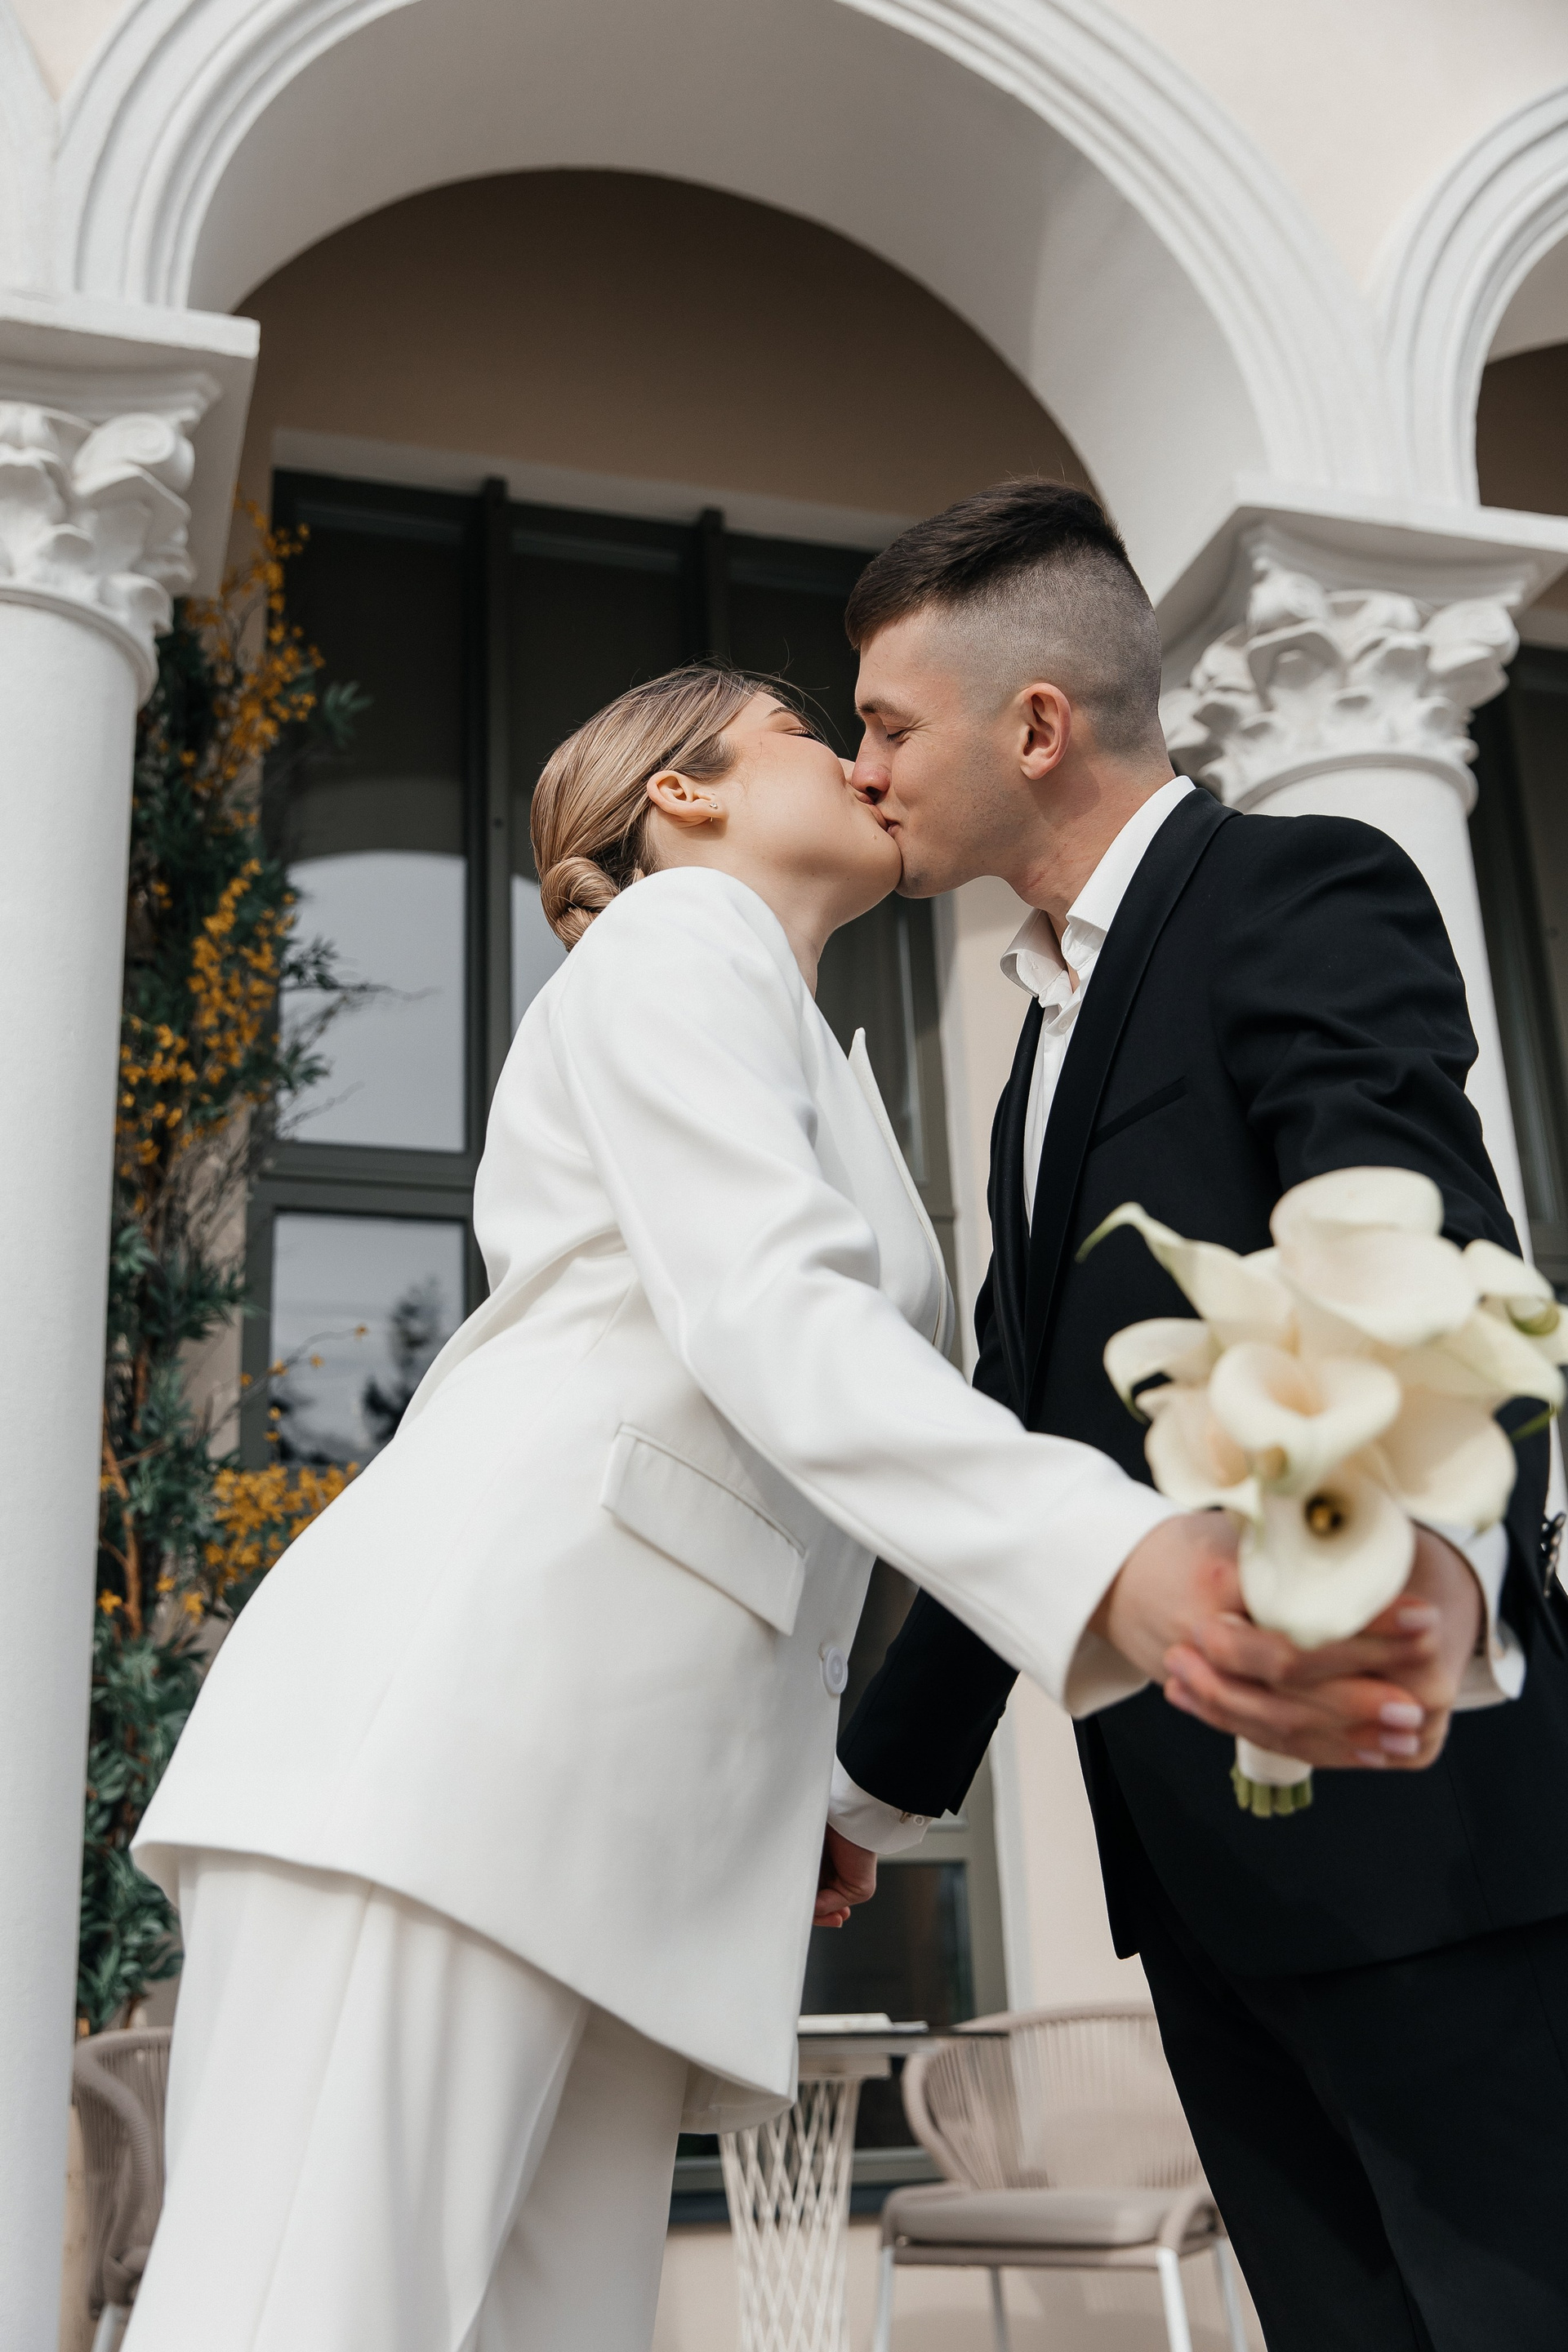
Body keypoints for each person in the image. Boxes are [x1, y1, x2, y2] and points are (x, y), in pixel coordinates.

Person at [124, 665, 1399, 2352]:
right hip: (450, 1753)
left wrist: (816, 1787)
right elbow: (769, 1317)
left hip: (606, 1810)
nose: (866, 764)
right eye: (814, 731)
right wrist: (1111, 1561)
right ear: (685, 793)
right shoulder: (679, 938)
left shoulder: (808, 1045)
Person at [821, 480, 1568, 2352]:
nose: (862, 770)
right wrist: (872, 1788)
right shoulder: (1030, 1053)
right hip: (1201, 1884)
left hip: (1419, 1836)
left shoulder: (1297, 888)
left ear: (1036, 727)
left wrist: (1434, 1573)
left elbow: (1423, 1243)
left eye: (888, 725)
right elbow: (1023, 1439)